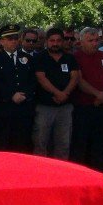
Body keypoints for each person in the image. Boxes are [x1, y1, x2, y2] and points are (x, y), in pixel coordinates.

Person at [71, 27, 103, 171]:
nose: (94, 43)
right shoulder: (75, 57)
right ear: (81, 41)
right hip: (83, 106)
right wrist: (98, 94)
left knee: (101, 141)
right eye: (90, 40)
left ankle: (99, 170)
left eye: (96, 40)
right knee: (81, 141)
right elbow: (78, 80)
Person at [0, 24, 37, 152]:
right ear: (1, 41)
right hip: (3, 109)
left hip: (23, 108)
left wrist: (24, 95)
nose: (13, 41)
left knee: (21, 145)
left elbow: (32, 80)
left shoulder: (28, 59)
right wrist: (11, 95)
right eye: (9, 38)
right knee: (2, 144)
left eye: (15, 38)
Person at [32, 27, 80, 159]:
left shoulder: (70, 58)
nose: (55, 43)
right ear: (47, 41)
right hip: (44, 106)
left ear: (63, 42)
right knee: (41, 142)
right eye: (52, 40)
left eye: (58, 40)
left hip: (65, 107)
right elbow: (41, 78)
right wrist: (58, 93)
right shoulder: (40, 58)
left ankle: (61, 174)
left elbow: (75, 77)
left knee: (63, 143)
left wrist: (65, 94)